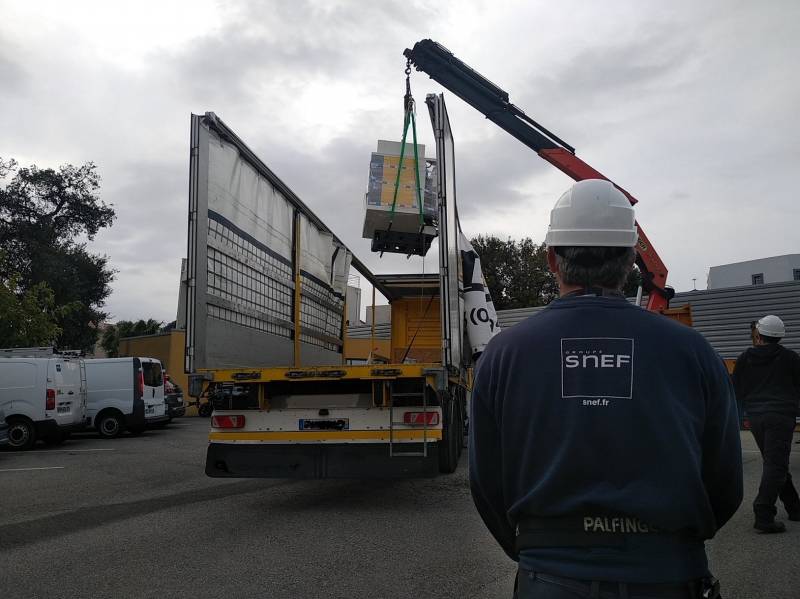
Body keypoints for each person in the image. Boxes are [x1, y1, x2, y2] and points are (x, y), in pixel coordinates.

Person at [469, 179, 743, 599]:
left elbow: (486, 482)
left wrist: (536, 551)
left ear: (551, 258)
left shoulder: (504, 354)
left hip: (550, 576)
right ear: (632, 259)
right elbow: (725, 480)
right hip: (668, 574)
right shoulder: (692, 350)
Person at [732, 314, 800, 533]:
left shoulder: (745, 358)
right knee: (776, 464)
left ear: (758, 335)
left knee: (774, 462)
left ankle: (794, 507)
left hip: (756, 418)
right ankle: (763, 513)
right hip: (781, 417)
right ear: (780, 337)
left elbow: (736, 390)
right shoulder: (791, 358)